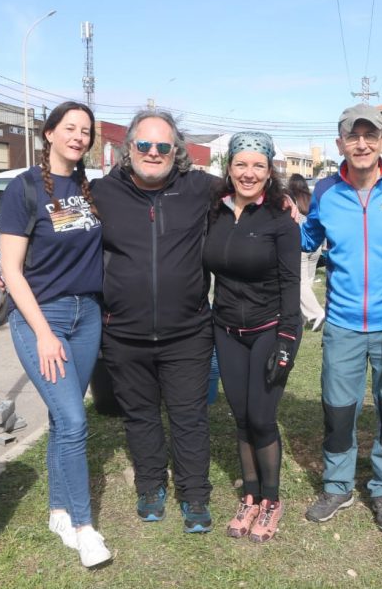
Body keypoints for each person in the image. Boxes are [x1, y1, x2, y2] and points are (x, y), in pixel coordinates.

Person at [89, 110, 219, 534]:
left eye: (163, 147)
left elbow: (249, 189)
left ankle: (195, 493)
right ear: (129, 149)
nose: (153, 153)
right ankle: (149, 486)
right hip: (124, 333)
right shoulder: (101, 193)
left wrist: (283, 200)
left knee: (189, 416)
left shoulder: (199, 188)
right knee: (140, 415)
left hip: (188, 331)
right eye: (144, 145)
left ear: (176, 152)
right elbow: (56, 232)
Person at [0, 102, 111, 567]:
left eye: (86, 131)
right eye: (70, 128)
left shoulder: (92, 190)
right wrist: (43, 332)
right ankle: (84, 528)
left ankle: (59, 510)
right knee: (75, 420)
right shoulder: (22, 189)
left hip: (89, 316)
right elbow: (11, 269)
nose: (79, 137)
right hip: (43, 319)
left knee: (63, 419)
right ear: (48, 134)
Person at [302, 104, 382, 532]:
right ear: (340, 144)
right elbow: (307, 236)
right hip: (344, 324)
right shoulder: (326, 192)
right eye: (353, 136)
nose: (362, 144)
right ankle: (338, 484)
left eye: (371, 135)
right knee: (338, 410)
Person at [204, 132, 301, 543]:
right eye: (241, 164)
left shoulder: (281, 219)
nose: (249, 173)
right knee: (241, 417)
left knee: (262, 418)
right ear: (228, 167)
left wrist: (286, 339)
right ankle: (249, 494)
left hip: (268, 329)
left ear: (270, 171)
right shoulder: (215, 212)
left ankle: (272, 501)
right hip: (226, 329)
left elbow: (291, 284)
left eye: (258, 166)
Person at [289, 173, 325, 330]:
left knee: (300, 282)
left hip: (301, 242)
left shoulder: (292, 199)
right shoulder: (311, 198)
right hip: (315, 245)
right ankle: (303, 318)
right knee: (307, 281)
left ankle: (316, 313)